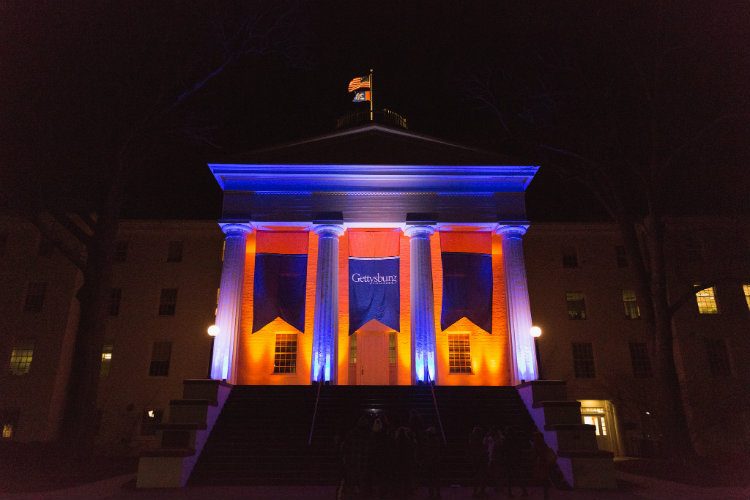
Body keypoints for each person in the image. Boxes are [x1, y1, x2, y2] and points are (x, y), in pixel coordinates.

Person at [502, 425, 529, 498]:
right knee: (516, 477)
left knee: (510, 478)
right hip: (514, 460)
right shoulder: (515, 439)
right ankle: (523, 491)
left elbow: (504, 450)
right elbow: (519, 450)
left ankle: (510, 493)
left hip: (510, 460)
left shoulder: (507, 440)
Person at [531, 431, 556, 499]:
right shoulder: (544, 444)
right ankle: (546, 494)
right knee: (545, 478)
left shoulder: (537, 445)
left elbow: (534, 455)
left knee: (544, 478)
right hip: (545, 463)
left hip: (541, 463)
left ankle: (546, 494)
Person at [468, 426, 489, 498]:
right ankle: (480, 491)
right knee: (482, 476)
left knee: (477, 476)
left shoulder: (473, 440)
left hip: (477, 459)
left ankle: (476, 491)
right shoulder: (480, 440)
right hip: (481, 459)